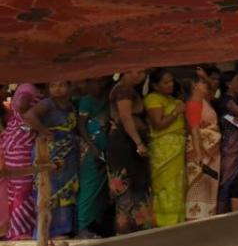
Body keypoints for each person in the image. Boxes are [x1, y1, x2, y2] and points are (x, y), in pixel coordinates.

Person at [24, 81, 82, 237]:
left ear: (70, 87)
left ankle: (64, 229)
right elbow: (29, 115)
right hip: (50, 153)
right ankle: (49, 232)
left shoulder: (70, 105)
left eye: (62, 85)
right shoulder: (47, 104)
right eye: (53, 85)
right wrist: (44, 131)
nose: (57, 88)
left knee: (66, 192)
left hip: (68, 155)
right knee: (49, 191)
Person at [107, 71, 153, 234]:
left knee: (136, 189)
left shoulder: (128, 89)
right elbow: (126, 117)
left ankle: (137, 229)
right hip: (125, 145)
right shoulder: (123, 90)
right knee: (126, 191)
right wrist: (138, 143)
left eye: (143, 72)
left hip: (128, 144)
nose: (140, 75)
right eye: (137, 71)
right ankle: (126, 231)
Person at [145, 69, 187, 227]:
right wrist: (176, 112)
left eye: (171, 81)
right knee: (165, 185)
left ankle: (177, 222)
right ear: (155, 85)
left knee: (177, 185)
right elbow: (158, 124)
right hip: (164, 148)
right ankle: (164, 223)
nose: (170, 85)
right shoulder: (153, 98)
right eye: (166, 82)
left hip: (177, 146)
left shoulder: (172, 98)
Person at [3, 84, 43, 239]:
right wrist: (32, 125)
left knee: (16, 192)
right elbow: (21, 105)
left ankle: (18, 231)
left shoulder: (25, 87)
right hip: (21, 146)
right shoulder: (28, 88)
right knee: (23, 191)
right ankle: (21, 233)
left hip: (14, 142)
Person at [76, 78, 111, 236]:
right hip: (92, 150)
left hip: (104, 148)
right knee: (89, 187)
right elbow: (81, 125)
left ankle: (95, 223)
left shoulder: (106, 99)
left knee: (101, 189)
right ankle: (83, 225)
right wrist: (93, 147)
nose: (100, 84)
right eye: (96, 82)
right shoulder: (86, 101)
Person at [184, 78, 221, 220]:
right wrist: (199, 153)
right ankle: (195, 218)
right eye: (202, 83)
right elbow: (194, 129)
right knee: (198, 185)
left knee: (210, 185)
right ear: (194, 85)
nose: (206, 85)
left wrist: (204, 76)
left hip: (212, 150)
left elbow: (213, 86)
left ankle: (208, 216)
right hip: (200, 149)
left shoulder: (205, 100)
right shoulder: (193, 104)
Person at [216, 71, 238, 213]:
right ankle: (221, 212)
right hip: (230, 146)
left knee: (235, 179)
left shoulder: (237, 99)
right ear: (228, 83)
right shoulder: (227, 100)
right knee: (226, 181)